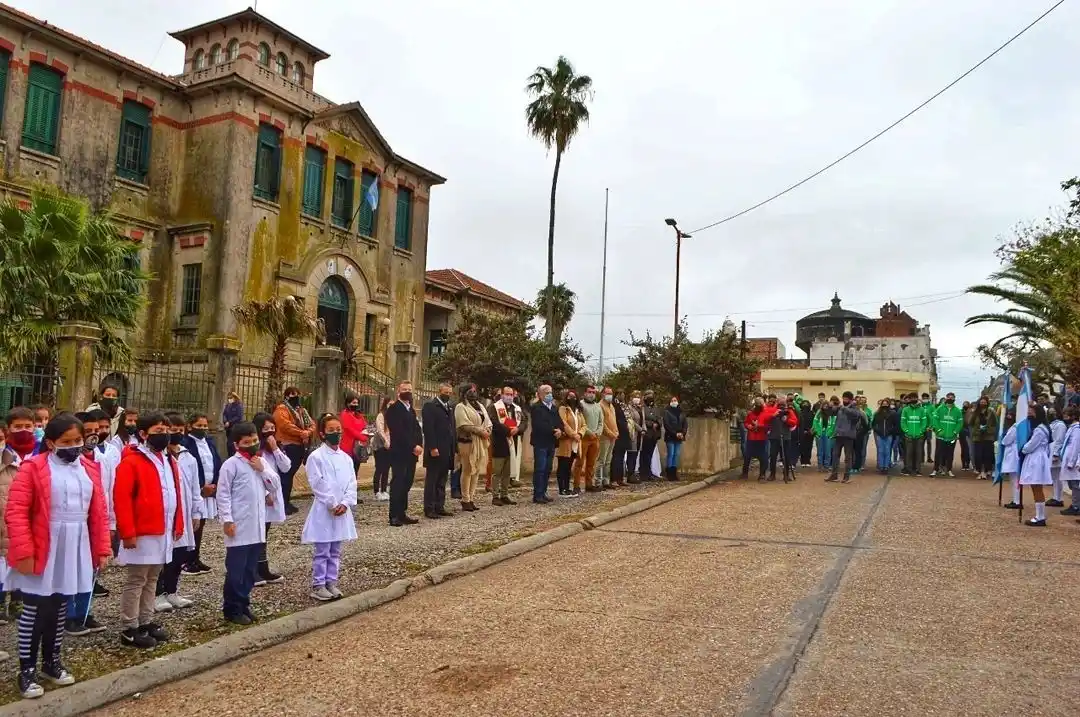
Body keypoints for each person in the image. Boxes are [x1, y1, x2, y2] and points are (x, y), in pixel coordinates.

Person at [6, 413, 111, 699]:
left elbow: (98, 513)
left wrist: (101, 548)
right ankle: (26, 669)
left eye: (78, 440)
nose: (75, 446)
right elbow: (16, 511)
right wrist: (24, 551)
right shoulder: (33, 468)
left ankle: (52, 661)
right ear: (51, 443)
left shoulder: (89, 469)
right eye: (67, 442)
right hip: (43, 544)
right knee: (35, 608)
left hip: (73, 544)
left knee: (59, 605)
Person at [113, 412, 185, 649]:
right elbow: (122, 499)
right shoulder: (131, 462)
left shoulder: (168, 460)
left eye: (166, 430)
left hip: (162, 529)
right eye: (158, 431)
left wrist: (178, 523)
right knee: (136, 579)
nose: (164, 435)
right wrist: (128, 532)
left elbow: (175, 493)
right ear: (143, 434)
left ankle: (146, 620)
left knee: (153, 578)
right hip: (142, 531)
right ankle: (129, 626)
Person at [216, 422, 272, 625]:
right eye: (247, 442)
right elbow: (223, 495)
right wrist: (227, 520)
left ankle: (244, 603)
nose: (252, 445)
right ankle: (231, 608)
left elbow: (272, 485)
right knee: (236, 570)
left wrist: (262, 470)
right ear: (237, 444)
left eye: (255, 440)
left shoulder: (260, 462)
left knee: (250, 570)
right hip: (238, 526)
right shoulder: (231, 465)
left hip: (256, 525)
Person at [301, 414, 358, 601]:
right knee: (323, 549)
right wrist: (333, 503)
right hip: (325, 510)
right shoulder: (316, 457)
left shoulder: (346, 458)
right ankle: (318, 584)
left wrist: (346, 502)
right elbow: (317, 483)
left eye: (338, 430)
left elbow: (352, 482)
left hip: (342, 509)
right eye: (331, 430)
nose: (336, 434)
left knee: (335, 549)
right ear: (322, 434)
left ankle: (331, 581)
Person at [154, 413, 202, 613]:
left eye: (180, 431)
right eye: (173, 430)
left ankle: (172, 591)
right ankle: (156, 594)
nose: (177, 434)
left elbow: (194, 487)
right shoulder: (159, 457)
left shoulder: (188, 456)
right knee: (161, 555)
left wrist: (196, 512)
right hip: (166, 513)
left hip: (183, 512)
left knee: (179, 553)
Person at [181, 413, 220, 576]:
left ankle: (195, 557)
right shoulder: (186, 443)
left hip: (210, 488)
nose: (203, 429)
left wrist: (216, 483)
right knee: (191, 523)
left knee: (201, 524)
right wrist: (200, 487)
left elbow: (216, 461)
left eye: (205, 426)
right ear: (190, 427)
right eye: (199, 426)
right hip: (196, 489)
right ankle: (186, 560)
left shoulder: (209, 442)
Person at [250, 412, 287, 586]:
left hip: (273, 495)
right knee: (256, 534)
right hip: (260, 497)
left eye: (272, 428)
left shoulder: (274, 450)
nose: (270, 432)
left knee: (265, 534)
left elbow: (286, 467)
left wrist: (276, 449)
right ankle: (252, 571)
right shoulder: (255, 451)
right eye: (266, 429)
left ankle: (263, 568)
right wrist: (265, 494)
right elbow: (254, 474)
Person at [384, 381, 423, 526]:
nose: (408, 392)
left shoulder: (411, 410)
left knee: (407, 482)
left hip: (412, 454)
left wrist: (419, 444)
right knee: (398, 482)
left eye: (410, 389)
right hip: (400, 452)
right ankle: (394, 515)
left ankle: (402, 512)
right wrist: (412, 446)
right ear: (398, 391)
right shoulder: (394, 409)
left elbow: (417, 429)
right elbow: (398, 431)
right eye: (404, 389)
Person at [272, 387, 313, 516]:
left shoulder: (301, 411)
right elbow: (285, 425)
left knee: (289, 476)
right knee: (285, 476)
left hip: (298, 446)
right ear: (287, 396)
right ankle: (282, 503)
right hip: (287, 445)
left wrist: (308, 432)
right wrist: (302, 433)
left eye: (297, 394)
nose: (296, 397)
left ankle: (286, 501)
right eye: (293, 395)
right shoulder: (281, 409)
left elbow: (312, 424)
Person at [454, 384, 491, 511]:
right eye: (470, 390)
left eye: (475, 390)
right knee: (468, 470)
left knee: (476, 471)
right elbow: (463, 425)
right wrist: (480, 432)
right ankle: (465, 499)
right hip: (467, 442)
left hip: (480, 442)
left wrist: (487, 430)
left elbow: (487, 421)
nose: (473, 392)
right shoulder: (460, 407)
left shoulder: (480, 406)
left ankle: (471, 498)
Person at [421, 383, 456, 519]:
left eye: (450, 393)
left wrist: (454, 447)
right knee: (432, 480)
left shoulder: (450, 407)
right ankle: (429, 508)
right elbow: (428, 429)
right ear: (439, 391)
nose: (448, 395)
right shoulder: (430, 406)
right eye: (445, 392)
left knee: (442, 480)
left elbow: (452, 428)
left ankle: (439, 506)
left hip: (447, 450)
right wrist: (432, 447)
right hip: (436, 449)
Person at [1019, 404, 1053, 527]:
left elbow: (1032, 445)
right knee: (1036, 487)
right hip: (1038, 456)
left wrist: (1022, 449)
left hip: (1036, 458)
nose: (1029, 413)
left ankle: (1040, 517)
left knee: (1037, 487)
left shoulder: (1039, 429)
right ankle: (1040, 516)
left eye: (1031, 411)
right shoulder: (1042, 427)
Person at [530, 384, 563, 502]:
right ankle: (537, 494)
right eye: (546, 392)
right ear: (540, 394)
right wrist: (553, 430)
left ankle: (543, 492)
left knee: (548, 468)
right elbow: (539, 425)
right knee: (540, 468)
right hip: (540, 442)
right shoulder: (536, 407)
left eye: (550, 392)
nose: (549, 395)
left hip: (551, 442)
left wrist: (560, 430)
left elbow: (559, 422)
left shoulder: (553, 407)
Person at [487, 387, 519, 506]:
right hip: (499, 443)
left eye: (511, 394)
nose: (509, 396)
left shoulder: (516, 408)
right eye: (507, 394)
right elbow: (493, 422)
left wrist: (518, 429)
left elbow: (523, 421)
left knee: (507, 472)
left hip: (511, 443)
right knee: (497, 472)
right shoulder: (494, 407)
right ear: (502, 395)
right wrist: (508, 431)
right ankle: (495, 496)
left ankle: (505, 495)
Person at [827, 392, 865, 484]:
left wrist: (843, 408)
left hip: (848, 435)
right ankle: (834, 475)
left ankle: (846, 476)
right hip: (838, 435)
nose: (844, 400)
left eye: (847, 399)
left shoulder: (855, 408)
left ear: (851, 400)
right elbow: (831, 413)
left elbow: (856, 416)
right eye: (844, 398)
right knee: (835, 455)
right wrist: (830, 406)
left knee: (848, 457)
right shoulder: (841, 408)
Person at [761, 397, 797, 482]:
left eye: (783, 405)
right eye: (780, 404)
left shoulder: (789, 411)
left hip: (786, 437)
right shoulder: (772, 410)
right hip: (774, 437)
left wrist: (787, 420)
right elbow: (764, 418)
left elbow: (795, 422)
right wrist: (773, 415)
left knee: (786, 456)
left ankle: (786, 475)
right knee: (773, 455)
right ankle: (772, 474)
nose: (781, 407)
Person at [556, 389, 583, 497]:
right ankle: (562, 489)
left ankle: (567, 488)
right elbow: (564, 423)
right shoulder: (563, 409)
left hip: (575, 443)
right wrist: (573, 435)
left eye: (574, 397)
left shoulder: (578, 411)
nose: (572, 398)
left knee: (569, 467)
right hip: (566, 442)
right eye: (570, 396)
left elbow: (584, 424)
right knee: (563, 466)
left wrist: (580, 434)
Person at [930, 393, 963, 477]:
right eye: (949, 397)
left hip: (952, 437)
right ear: (946, 398)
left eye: (952, 397)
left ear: (954, 399)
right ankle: (935, 470)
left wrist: (955, 432)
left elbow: (960, 423)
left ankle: (949, 470)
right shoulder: (940, 409)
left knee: (950, 454)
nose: (950, 399)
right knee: (938, 453)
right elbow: (935, 420)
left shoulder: (957, 411)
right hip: (940, 436)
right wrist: (939, 430)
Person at [577, 387, 603, 491]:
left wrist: (597, 432)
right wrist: (589, 432)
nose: (591, 394)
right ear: (585, 393)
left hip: (595, 438)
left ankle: (589, 484)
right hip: (584, 438)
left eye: (593, 392)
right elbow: (580, 421)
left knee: (591, 463)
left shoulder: (598, 406)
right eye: (589, 392)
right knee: (580, 462)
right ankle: (576, 485)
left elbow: (601, 422)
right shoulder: (581, 404)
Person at [968, 396, 998, 480]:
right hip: (978, 437)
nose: (983, 403)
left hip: (988, 437)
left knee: (987, 455)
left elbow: (995, 423)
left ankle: (986, 470)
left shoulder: (991, 412)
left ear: (987, 403)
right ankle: (980, 471)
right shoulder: (975, 412)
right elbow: (970, 422)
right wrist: (973, 413)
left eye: (984, 402)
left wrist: (990, 430)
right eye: (981, 402)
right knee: (978, 455)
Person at [1057, 407, 1080, 516]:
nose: (1065, 418)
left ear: (1073, 416)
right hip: (1068, 459)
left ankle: (1076, 506)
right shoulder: (1071, 428)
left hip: (1073, 462)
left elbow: (1075, 446)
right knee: (1071, 484)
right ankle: (1075, 504)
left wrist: (1071, 462)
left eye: (1067, 416)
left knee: (1075, 485)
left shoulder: (1077, 429)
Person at [339, 395, 369, 475]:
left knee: (356, 469)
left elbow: (364, 425)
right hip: (348, 446)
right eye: (353, 403)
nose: (355, 405)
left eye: (357, 403)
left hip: (358, 446)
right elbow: (349, 429)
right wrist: (362, 437)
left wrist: (366, 433)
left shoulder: (358, 414)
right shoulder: (344, 414)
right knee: (348, 470)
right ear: (348, 403)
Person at [596, 387, 620, 489]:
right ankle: (598, 481)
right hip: (604, 436)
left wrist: (616, 432)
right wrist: (610, 433)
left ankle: (606, 480)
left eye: (611, 393)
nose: (610, 395)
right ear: (602, 394)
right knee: (601, 459)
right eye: (607, 393)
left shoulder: (611, 406)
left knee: (608, 460)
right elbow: (603, 423)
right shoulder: (600, 405)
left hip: (613, 436)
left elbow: (614, 420)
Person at [900, 393, 927, 476]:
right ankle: (908, 469)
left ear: (917, 398)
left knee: (918, 453)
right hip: (908, 435)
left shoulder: (922, 409)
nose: (913, 399)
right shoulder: (905, 410)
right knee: (909, 453)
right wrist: (906, 431)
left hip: (919, 436)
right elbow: (903, 422)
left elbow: (924, 422)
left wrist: (921, 431)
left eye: (915, 397)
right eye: (912, 398)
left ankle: (918, 470)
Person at [371, 397, 392, 501]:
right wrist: (386, 441)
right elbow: (380, 430)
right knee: (379, 468)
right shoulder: (381, 415)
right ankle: (376, 491)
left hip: (390, 446)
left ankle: (384, 490)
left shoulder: (393, 416)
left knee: (387, 469)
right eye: (389, 404)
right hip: (380, 445)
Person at [663, 395, 688, 481]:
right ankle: (669, 473)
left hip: (679, 437)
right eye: (672, 400)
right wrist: (675, 433)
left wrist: (682, 433)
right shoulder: (667, 412)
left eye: (675, 400)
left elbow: (685, 424)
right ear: (670, 402)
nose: (674, 402)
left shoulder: (681, 412)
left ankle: (674, 473)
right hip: (670, 437)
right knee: (671, 454)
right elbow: (667, 425)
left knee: (676, 455)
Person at [742, 397, 768, 480]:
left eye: (760, 404)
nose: (758, 406)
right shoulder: (750, 414)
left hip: (761, 438)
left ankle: (762, 475)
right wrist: (748, 426)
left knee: (762, 457)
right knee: (747, 456)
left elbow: (768, 426)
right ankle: (744, 473)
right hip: (751, 438)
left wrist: (759, 425)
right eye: (757, 404)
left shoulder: (765, 413)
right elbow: (746, 422)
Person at [610, 390, 632, 487]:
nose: (623, 396)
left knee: (621, 457)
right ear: (618, 395)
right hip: (618, 433)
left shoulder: (623, 406)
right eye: (622, 394)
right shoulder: (614, 405)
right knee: (616, 457)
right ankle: (614, 478)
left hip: (625, 434)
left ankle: (620, 478)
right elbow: (616, 420)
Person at [638, 392, 662, 480]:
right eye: (648, 396)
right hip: (646, 434)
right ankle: (644, 472)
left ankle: (648, 472)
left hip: (654, 435)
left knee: (650, 454)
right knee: (645, 454)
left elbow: (659, 418)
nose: (650, 398)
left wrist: (657, 423)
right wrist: (651, 424)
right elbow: (643, 420)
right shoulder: (643, 408)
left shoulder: (656, 409)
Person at [872, 399, 899, 475]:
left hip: (889, 435)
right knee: (881, 451)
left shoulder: (893, 413)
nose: (884, 405)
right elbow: (873, 424)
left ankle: (886, 466)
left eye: (886, 404)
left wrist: (891, 431)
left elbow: (896, 424)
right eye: (883, 404)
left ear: (888, 404)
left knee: (887, 451)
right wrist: (877, 430)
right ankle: (881, 466)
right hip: (880, 435)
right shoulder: (877, 413)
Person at [508, 389, 529, 488]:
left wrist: (518, 429)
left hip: (517, 435)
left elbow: (524, 421)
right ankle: (505, 480)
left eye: (515, 395)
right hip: (506, 435)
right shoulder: (502, 407)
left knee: (515, 457)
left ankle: (513, 478)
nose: (514, 397)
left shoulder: (519, 408)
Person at [1047, 409, 1068, 508]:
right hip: (1051, 451)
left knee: (1058, 478)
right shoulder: (1051, 424)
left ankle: (1059, 498)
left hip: (1056, 453)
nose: (1051, 415)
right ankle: (1055, 497)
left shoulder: (1060, 425)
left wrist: (1056, 453)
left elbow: (1059, 440)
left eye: (1053, 413)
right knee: (1054, 478)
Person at [1001, 411, 1021, 509]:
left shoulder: (1014, 428)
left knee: (1015, 479)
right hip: (1014, 452)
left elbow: (1006, 440)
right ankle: (1016, 499)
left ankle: (1017, 501)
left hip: (1014, 453)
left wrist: (1002, 438)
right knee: (1014, 479)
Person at [812, 400, 837, 472]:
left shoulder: (832, 414)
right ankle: (820, 466)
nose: (825, 406)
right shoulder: (819, 413)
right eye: (824, 405)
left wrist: (832, 434)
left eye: (827, 405)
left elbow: (833, 425)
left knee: (828, 451)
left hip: (828, 434)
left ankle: (826, 466)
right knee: (820, 451)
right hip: (820, 434)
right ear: (822, 406)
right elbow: (815, 422)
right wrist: (816, 432)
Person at [626, 391, 644, 481]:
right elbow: (631, 420)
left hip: (640, 435)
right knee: (631, 454)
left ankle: (633, 473)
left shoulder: (640, 408)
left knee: (636, 454)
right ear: (631, 398)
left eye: (638, 397)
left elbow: (642, 420)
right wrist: (640, 429)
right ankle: (630, 474)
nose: (637, 398)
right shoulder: (629, 408)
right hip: (633, 433)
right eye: (635, 397)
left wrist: (644, 429)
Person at [221, 391, 244, 458]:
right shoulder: (228, 405)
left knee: (231, 443)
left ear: (235, 397)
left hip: (235, 427)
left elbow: (239, 417)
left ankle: (232, 456)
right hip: (228, 428)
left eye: (231, 398)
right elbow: (224, 414)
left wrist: (229, 422)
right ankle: (229, 456)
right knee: (228, 443)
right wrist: (225, 421)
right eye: (228, 398)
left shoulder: (238, 406)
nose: (229, 399)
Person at [798, 399, 814, 466]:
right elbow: (799, 423)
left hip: (810, 432)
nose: (805, 405)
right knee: (802, 447)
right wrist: (803, 430)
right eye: (803, 404)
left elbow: (814, 422)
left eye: (806, 404)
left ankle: (808, 461)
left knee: (809, 447)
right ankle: (803, 461)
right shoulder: (799, 413)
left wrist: (811, 430)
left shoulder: (812, 413)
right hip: (802, 432)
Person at [919, 393, 934, 465]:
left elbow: (933, 418)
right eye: (923, 398)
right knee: (921, 443)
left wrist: (930, 427)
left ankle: (929, 457)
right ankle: (922, 458)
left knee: (929, 443)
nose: (925, 399)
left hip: (929, 429)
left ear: (928, 399)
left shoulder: (931, 407)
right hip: (921, 429)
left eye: (926, 398)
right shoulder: (919, 406)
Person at [959, 400, 973, 471]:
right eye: (964, 404)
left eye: (966, 404)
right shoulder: (960, 412)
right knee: (963, 449)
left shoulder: (970, 412)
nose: (965, 406)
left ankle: (967, 464)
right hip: (961, 432)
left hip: (969, 432)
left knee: (968, 449)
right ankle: (963, 464)